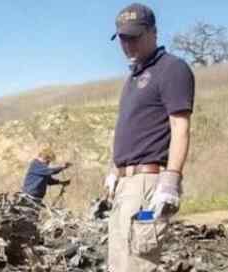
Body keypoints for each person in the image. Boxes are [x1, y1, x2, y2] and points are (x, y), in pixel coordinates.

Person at [105, 3, 195, 272]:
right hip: (124, 186)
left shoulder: (172, 69)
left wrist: (171, 180)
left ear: (153, 33)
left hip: (147, 185)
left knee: (138, 265)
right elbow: (130, 129)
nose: (128, 44)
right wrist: (114, 169)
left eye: (134, 37)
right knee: (119, 265)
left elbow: (180, 127)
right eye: (123, 38)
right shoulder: (134, 77)